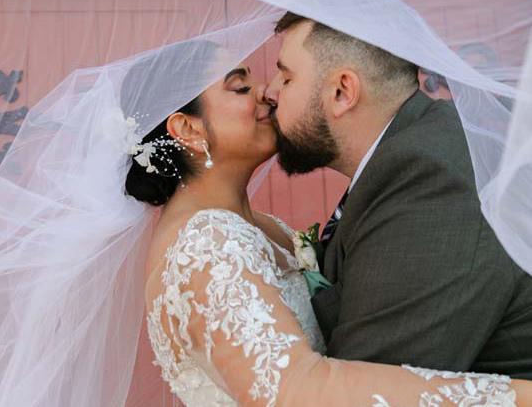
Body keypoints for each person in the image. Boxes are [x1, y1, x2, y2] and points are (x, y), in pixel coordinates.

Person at [126, 54, 532, 407]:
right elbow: (295, 393)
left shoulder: (259, 227)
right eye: (239, 87)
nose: (266, 92)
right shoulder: (205, 246)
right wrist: (515, 395)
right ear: (189, 129)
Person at [263, 12, 532, 378]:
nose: (270, 91)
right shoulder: (408, 152)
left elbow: (371, 386)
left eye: (287, 76)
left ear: (342, 92)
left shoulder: (430, 179)